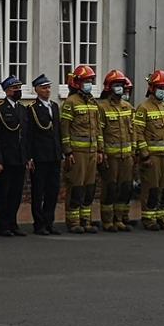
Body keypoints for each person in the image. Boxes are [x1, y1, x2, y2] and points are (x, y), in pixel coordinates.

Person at [133, 70, 164, 231]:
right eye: (160, 87)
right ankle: (149, 218)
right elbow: (138, 133)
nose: (163, 91)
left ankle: (161, 217)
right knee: (151, 189)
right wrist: (144, 155)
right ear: (152, 88)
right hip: (152, 157)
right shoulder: (143, 108)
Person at [60, 66, 102, 233]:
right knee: (76, 187)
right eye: (86, 81)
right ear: (77, 83)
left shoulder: (93, 102)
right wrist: (68, 152)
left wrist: (99, 150)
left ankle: (86, 220)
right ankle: (73, 222)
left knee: (89, 187)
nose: (89, 84)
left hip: (92, 152)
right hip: (77, 154)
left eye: (91, 81)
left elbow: (97, 128)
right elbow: (64, 130)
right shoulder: (70, 103)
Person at [98, 70, 137, 232]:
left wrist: (134, 151)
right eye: (116, 85)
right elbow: (99, 132)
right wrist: (102, 152)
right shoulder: (102, 107)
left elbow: (133, 130)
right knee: (110, 188)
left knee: (125, 187)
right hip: (111, 156)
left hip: (126, 156)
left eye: (121, 85)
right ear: (109, 87)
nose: (119, 89)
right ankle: (107, 220)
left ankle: (119, 219)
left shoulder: (127, 107)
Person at [0, 75, 31, 237]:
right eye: (15, 89)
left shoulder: (22, 109)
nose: (18, 91)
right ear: (7, 91)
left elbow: (26, 135)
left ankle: (13, 222)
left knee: (16, 193)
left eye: (19, 88)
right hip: (6, 157)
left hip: (20, 157)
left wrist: (28, 157)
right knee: (4, 192)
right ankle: (3, 225)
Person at [26, 75, 64, 235]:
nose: (47, 90)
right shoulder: (32, 109)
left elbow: (58, 132)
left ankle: (49, 221)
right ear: (36, 90)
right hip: (40, 156)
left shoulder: (54, 107)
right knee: (38, 191)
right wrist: (30, 157)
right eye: (44, 88)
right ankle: (39, 223)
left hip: (54, 155)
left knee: (52, 190)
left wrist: (61, 151)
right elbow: (29, 135)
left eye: (48, 87)